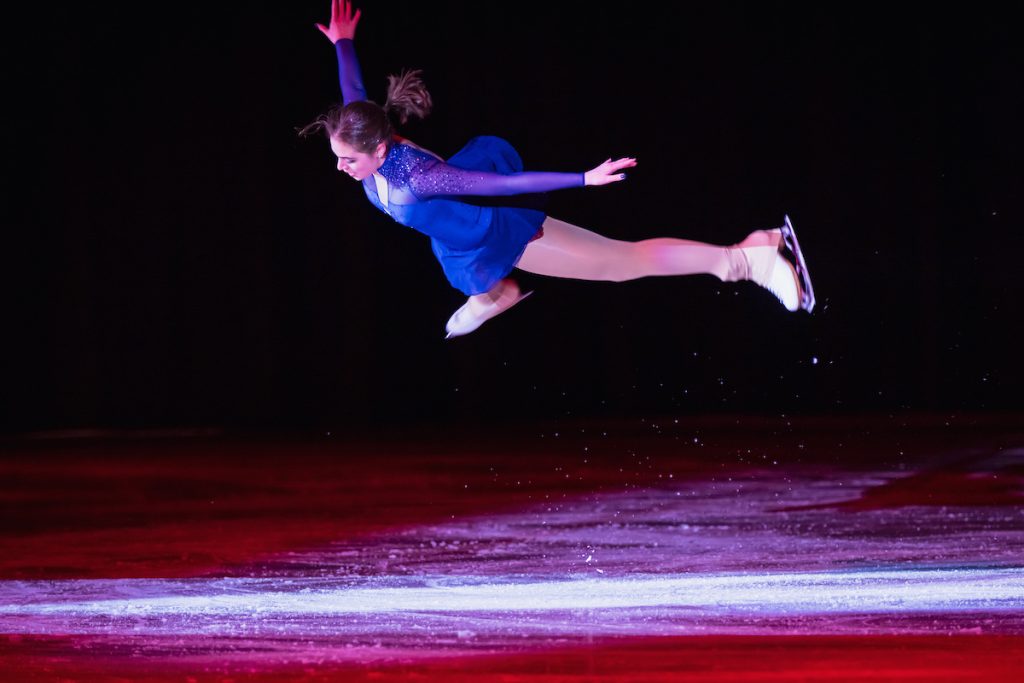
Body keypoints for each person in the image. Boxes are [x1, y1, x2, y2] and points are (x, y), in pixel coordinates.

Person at [302, 0, 814, 338]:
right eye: (338, 157)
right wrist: (342, 41)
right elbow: (354, 92)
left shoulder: (419, 179)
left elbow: (503, 185)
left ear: (381, 151)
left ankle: (747, 260)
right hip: (458, 239)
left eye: (349, 159)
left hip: (497, 231)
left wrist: (583, 179)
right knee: (481, 280)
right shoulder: (365, 134)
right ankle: (494, 296)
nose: (342, 168)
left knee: (620, 264)